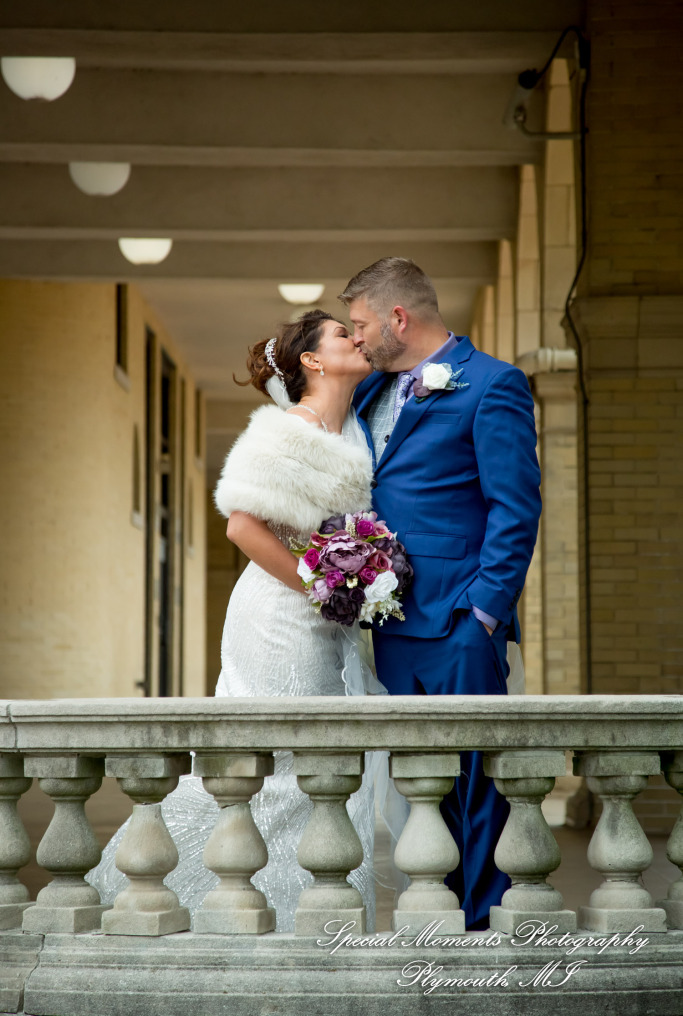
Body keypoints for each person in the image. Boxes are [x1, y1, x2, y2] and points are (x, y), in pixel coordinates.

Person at [88, 309, 385, 931]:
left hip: (327, 620)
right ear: (312, 360)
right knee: (273, 763)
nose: (357, 339)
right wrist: (320, 584)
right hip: (278, 617)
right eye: (341, 334)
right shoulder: (283, 430)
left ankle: (299, 905)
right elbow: (242, 525)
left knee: (315, 765)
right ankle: (171, 890)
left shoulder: (355, 429)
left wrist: (356, 579)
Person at [339, 257, 542, 930]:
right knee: (421, 783)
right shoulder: (370, 391)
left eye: (362, 324)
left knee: (477, 784)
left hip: (459, 618)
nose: (357, 338)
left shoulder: (492, 385)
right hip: (392, 620)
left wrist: (483, 611)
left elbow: (514, 506)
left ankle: (481, 924)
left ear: (399, 317)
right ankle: (438, 911)